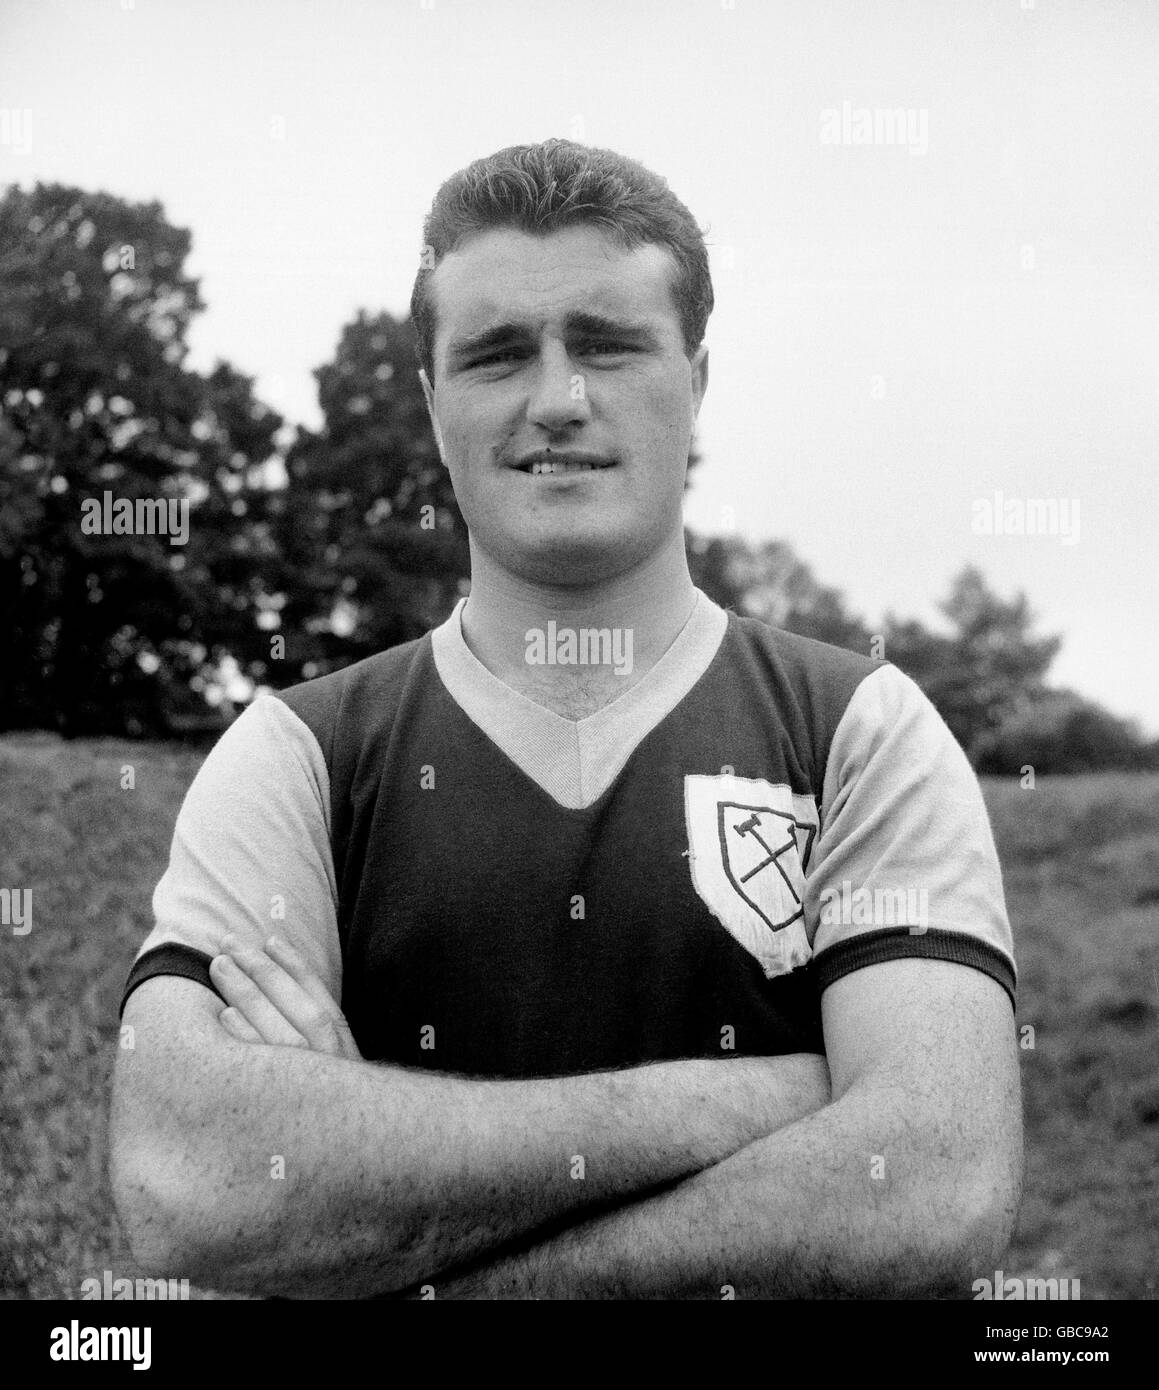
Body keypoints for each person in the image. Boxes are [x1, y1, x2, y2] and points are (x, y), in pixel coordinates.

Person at [109, 139, 1022, 1299]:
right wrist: (751, 1099)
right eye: (498, 357)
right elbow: (191, 1178)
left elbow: (930, 1189)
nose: (558, 399)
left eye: (607, 344)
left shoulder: (860, 731)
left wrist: (390, 1221)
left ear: (695, 379)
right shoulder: (299, 753)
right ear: (436, 406)